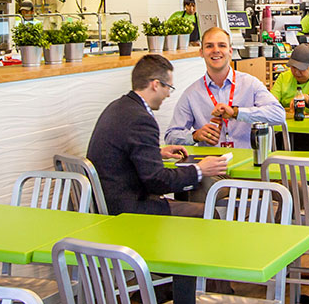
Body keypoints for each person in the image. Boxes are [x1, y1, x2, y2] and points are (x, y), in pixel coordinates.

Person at [86, 54, 227, 217]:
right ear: (155, 85)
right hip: (127, 208)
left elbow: (122, 152)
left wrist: (156, 153)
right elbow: (157, 182)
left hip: (108, 199)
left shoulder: (118, 107)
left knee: (186, 201)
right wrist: (199, 169)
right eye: (168, 88)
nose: (168, 94)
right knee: (207, 212)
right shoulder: (141, 119)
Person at [165, 26, 285, 149]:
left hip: (247, 164)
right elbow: (170, 136)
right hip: (211, 165)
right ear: (201, 52)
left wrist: (236, 112)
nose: (216, 50)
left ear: (230, 51)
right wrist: (195, 135)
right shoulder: (192, 93)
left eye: (222, 45)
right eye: (209, 46)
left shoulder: (250, 84)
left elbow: (279, 115)